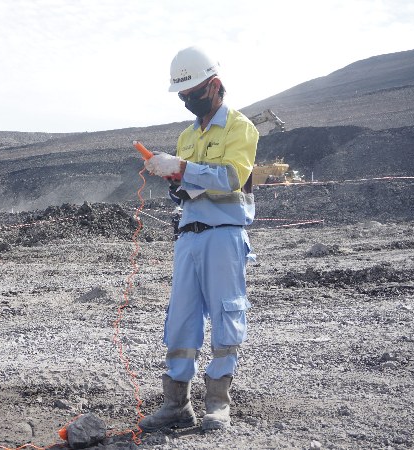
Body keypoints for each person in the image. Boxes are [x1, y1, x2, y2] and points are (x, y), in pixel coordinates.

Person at [139, 45, 259, 432]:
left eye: (193, 92)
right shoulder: (187, 136)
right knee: (181, 320)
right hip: (188, 235)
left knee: (226, 313)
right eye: (183, 95)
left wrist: (185, 168)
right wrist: (174, 178)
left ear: (216, 86)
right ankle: (176, 404)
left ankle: (218, 403)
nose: (189, 100)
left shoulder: (241, 128)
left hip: (223, 234)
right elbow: (186, 185)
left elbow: (231, 179)